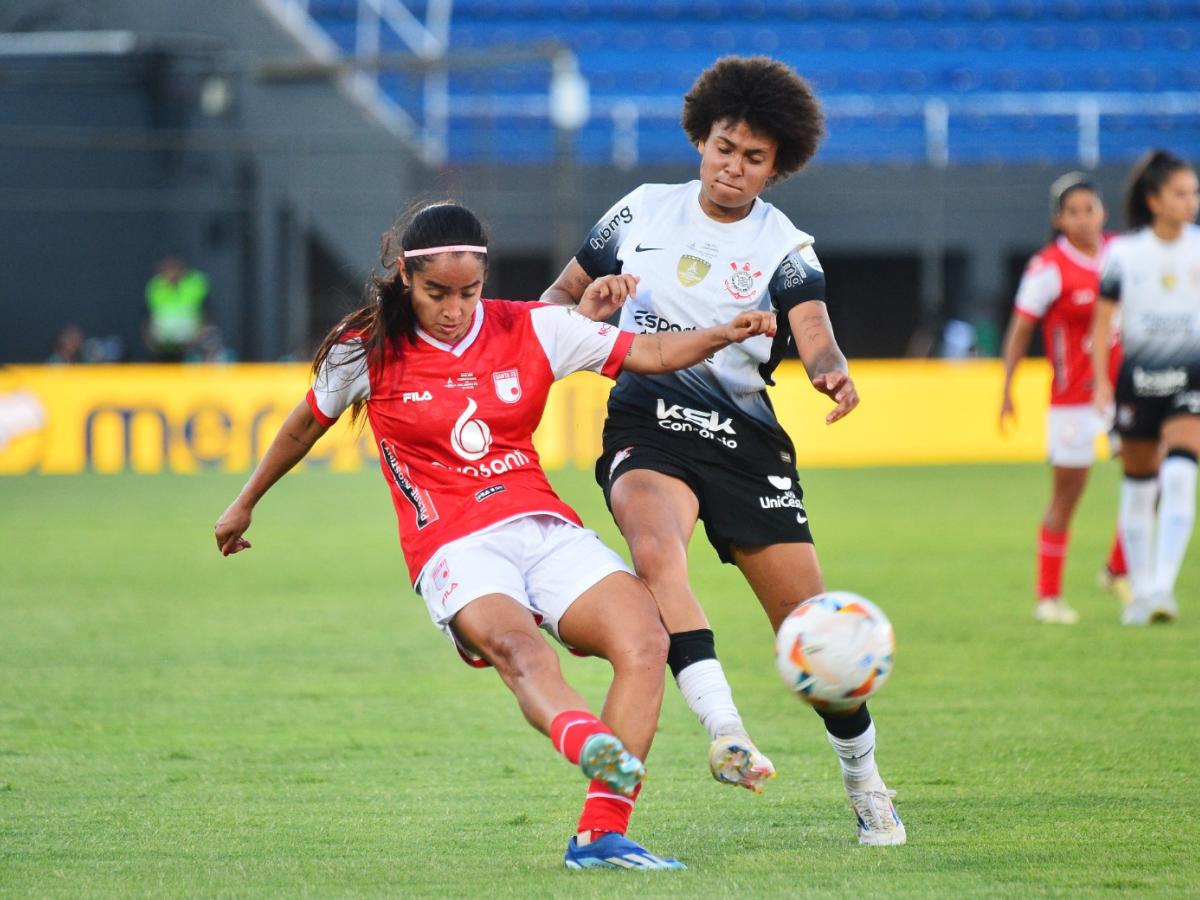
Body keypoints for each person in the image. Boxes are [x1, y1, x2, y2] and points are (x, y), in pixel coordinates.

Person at [213, 202, 777, 869]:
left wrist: (722, 332)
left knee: (646, 638)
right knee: (520, 651)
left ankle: (600, 837)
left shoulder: (535, 327)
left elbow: (646, 352)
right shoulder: (363, 346)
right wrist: (244, 502)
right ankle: (586, 739)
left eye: (468, 292)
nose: (454, 308)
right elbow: (305, 424)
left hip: (542, 527)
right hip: (454, 545)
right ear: (404, 277)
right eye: (436, 294)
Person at [541, 56, 904, 845]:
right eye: (724, 147)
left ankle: (864, 777)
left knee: (814, 637)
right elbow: (555, 301)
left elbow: (813, 327)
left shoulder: (785, 244)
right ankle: (726, 730)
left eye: (754, 158)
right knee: (653, 550)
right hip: (646, 421)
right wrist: (584, 313)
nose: (734, 168)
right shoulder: (638, 213)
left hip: (746, 442)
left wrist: (831, 373)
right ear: (700, 138)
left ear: (778, 168)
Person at [999, 173, 1129, 625]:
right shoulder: (1049, 266)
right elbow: (1020, 329)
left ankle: (1118, 568)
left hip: (1122, 392)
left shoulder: (1123, 255)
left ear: (1103, 212)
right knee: (1067, 496)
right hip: (1072, 398)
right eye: (1072, 212)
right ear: (1059, 219)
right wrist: (1007, 387)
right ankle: (1048, 597)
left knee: (1149, 477)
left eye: (1089, 209)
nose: (1082, 219)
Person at [1092, 150, 1200, 626]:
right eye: (1181, 193)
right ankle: (1138, 592)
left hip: (1189, 377)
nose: (1191, 201)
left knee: (1179, 474)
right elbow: (1101, 326)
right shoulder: (1123, 254)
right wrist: (1100, 381)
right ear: (1155, 200)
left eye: (1194, 192)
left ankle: (1161, 589)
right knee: (1138, 488)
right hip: (1137, 380)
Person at [145, 256, 209, 362]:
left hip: (192, 345)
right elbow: (148, 315)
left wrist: (201, 334)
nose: (172, 272)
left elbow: (207, 312)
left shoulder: (195, 285)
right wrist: (150, 339)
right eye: (168, 268)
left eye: (174, 268)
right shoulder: (155, 287)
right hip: (163, 346)